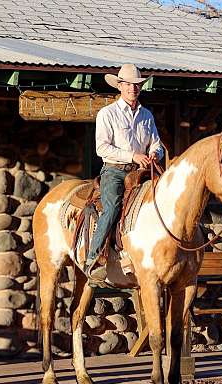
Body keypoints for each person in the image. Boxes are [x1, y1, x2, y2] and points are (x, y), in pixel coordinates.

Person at [85, 63, 164, 283]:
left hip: (143, 171)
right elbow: (102, 148)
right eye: (128, 84)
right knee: (111, 208)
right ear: (119, 86)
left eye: (137, 84)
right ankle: (94, 260)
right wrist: (133, 156)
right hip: (115, 171)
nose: (133, 88)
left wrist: (154, 154)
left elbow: (156, 143)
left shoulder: (146, 115)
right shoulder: (107, 114)